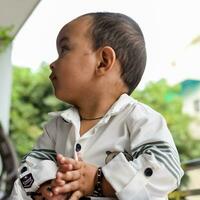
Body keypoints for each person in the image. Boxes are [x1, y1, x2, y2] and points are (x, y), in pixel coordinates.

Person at [10, 12, 184, 200]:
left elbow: (166, 168)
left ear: (103, 61)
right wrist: (45, 186)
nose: (52, 63)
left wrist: (99, 180)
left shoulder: (141, 120)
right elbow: (29, 168)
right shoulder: (57, 128)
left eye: (64, 49)